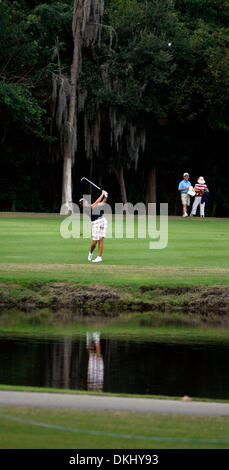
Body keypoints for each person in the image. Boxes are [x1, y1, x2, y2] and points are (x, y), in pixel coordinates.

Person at [79, 189, 108, 263]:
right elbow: (97, 202)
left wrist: (105, 196)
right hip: (95, 223)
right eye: (82, 203)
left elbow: (102, 203)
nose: (84, 203)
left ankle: (99, 257)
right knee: (94, 242)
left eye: (84, 201)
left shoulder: (92, 205)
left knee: (101, 239)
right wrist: (102, 194)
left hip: (102, 220)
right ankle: (90, 253)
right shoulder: (86, 208)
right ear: (82, 205)